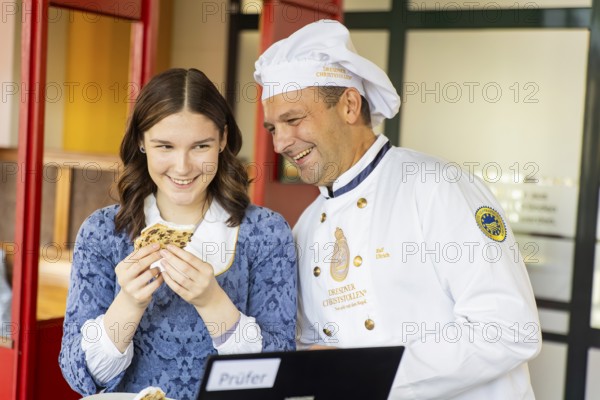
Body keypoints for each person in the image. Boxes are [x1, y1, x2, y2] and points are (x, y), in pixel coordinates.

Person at [254, 19, 541, 399]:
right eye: (273, 128)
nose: (280, 144)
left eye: (293, 120)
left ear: (350, 105)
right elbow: (313, 352)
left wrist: (366, 372)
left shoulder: (437, 187)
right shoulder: (305, 228)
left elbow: (509, 330)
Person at [59, 68, 297, 399]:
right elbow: (80, 376)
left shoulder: (267, 233)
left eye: (200, 146)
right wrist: (128, 303)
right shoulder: (102, 233)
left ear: (223, 140)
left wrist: (213, 302)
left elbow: (280, 372)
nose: (183, 167)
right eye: (165, 146)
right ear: (141, 141)